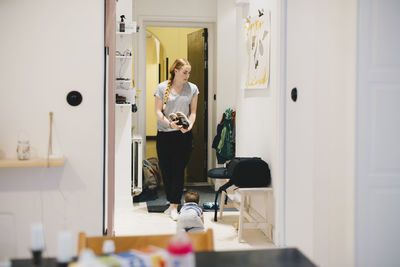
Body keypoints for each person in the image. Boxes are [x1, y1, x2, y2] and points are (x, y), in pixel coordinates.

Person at [154, 58, 199, 220]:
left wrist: (190, 124)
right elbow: (158, 111)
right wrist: (169, 123)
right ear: (176, 71)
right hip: (165, 134)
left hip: (183, 136)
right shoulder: (162, 87)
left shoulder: (192, 88)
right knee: (166, 171)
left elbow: (192, 112)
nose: (187, 75)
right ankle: (171, 202)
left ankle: (174, 206)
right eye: (185, 72)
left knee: (179, 170)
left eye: (189, 72)